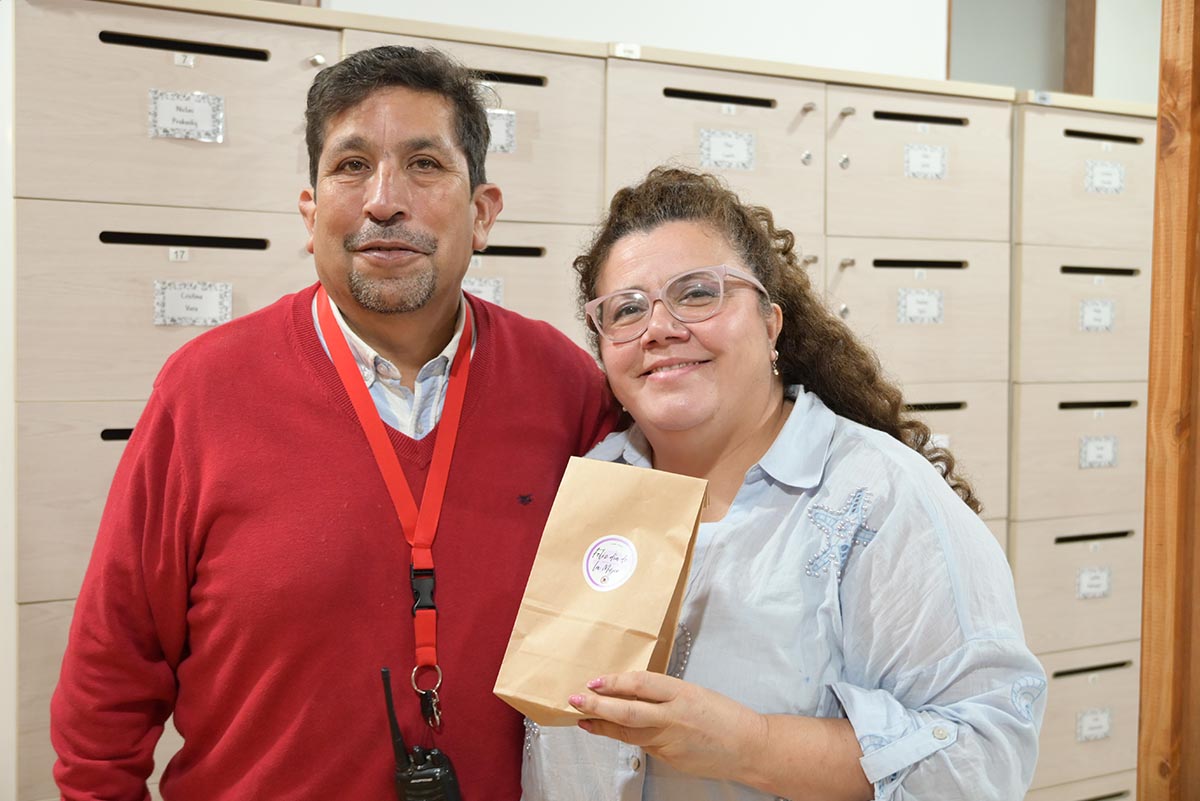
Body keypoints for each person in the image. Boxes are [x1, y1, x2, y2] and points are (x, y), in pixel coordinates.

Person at [50, 46, 617, 801]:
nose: (384, 201)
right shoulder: (204, 390)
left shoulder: (563, 387)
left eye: (424, 165)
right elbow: (111, 671)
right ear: (311, 210)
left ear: (482, 213)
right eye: (351, 166)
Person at [522, 167, 1046, 801]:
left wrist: (752, 744)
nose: (658, 327)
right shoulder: (591, 484)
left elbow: (985, 755)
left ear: (771, 323)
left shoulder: (878, 497)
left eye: (698, 294)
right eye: (627, 309)